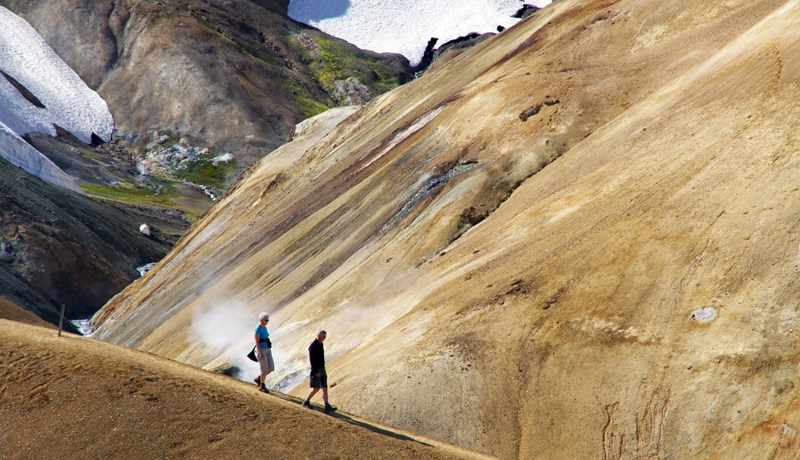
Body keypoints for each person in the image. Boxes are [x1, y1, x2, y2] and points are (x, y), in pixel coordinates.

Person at [302, 330, 337, 413]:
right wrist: (315, 371)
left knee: (324, 388)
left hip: (322, 369)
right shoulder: (313, 346)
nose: (324, 338)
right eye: (323, 336)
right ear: (318, 335)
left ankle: (327, 405)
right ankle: (306, 401)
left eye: (325, 337)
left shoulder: (321, 344)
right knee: (316, 388)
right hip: (317, 370)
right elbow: (312, 360)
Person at [253, 312, 274, 393]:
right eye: (266, 320)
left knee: (271, 368)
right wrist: (260, 353)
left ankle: (259, 379)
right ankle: (262, 385)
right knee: (264, 369)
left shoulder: (264, 328)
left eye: (268, 320)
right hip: (261, 350)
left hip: (267, 349)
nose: (267, 322)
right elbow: (257, 342)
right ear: (261, 320)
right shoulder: (258, 329)